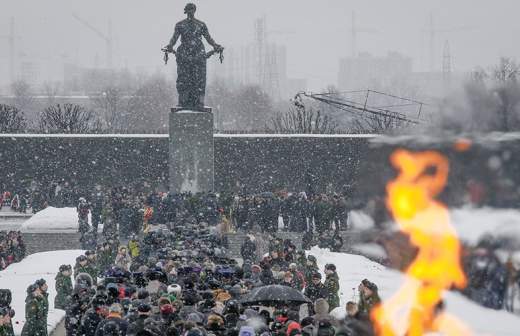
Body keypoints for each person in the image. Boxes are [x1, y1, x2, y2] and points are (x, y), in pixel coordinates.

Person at [164, 3, 224, 109]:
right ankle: (183, 101)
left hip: (198, 55)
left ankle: (199, 101)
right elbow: (174, 38)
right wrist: (170, 46)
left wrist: (215, 45)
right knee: (183, 79)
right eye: (188, 10)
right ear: (185, 11)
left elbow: (208, 38)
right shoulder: (180, 25)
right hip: (184, 55)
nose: (190, 12)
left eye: (192, 9)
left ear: (195, 10)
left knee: (199, 79)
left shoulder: (201, 25)